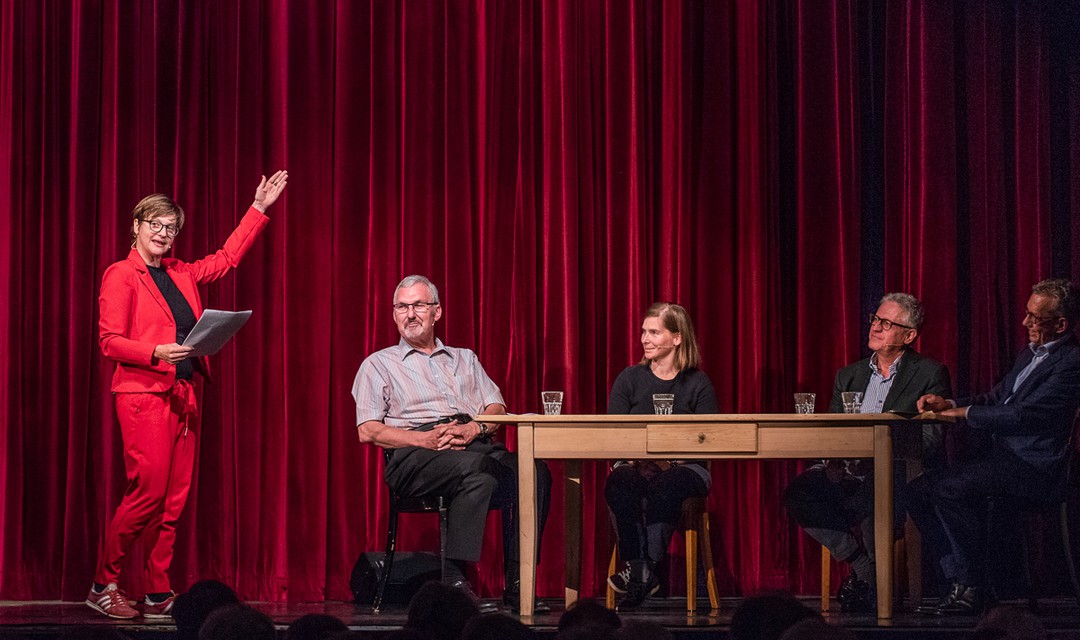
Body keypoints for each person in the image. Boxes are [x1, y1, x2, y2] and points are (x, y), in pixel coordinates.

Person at [88, 172, 287, 619]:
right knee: (148, 492)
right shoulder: (122, 275)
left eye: (171, 228)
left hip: (184, 393)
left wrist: (258, 208)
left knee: (174, 500)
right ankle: (103, 582)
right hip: (143, 394)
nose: (163, 234)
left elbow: (226, 259)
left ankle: (158, 591)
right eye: (155, 225)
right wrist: (154, 351)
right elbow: (109, 341)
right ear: (136, 226)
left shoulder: (180, 272)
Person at [351, 275, 553, 613]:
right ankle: (455, 582)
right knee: (478, 470)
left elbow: (496, 408)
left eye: (418, 305)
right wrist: (424, 438)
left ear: (437, 312)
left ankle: (519, 583)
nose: (410, 314)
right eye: (402, 307)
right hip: (414, 454)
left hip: (472, 443)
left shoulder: (464, 358)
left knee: (533, 471)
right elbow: (368, 430)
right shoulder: (378, 364)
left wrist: (474, 429)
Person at [912, 279, 1080, 615]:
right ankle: (962, 580)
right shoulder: (1029, 355)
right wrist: (949, 403)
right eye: (1026, 314)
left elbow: (1023, 415)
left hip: (1034, 467)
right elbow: (996, 398)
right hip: (1006, 460)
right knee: (915, 492)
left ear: (1061, 324)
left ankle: (972, 586)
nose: (1025, 323)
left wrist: (965, 414)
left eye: (1035, 318)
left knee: (947, 488)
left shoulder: (1071, 362)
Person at [783, 293, 951, 612]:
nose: (875, 327)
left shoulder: (929, 372)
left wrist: (884, 455)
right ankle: (861, 562)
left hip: (898, 473)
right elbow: (832, 431)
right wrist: (831, 462)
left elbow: (931, 438)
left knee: (877, 488)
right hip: (849, 472)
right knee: (800, 491)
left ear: (909, 335)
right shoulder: (850, 374)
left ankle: (879, 594)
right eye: (875, 319)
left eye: (886, 323)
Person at [604, 302, 719, 611]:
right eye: (644, 332)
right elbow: (613, 432)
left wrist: (670, 462)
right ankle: (643, 570)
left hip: (686, 468)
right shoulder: (629, 378)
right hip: (634, 464)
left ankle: (641, 571)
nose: (645, 339)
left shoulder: (698, 382)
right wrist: (640, 459)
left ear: (677, 338)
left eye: (654, 332)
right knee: (619, 482)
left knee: (668, 484)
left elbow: (710, 438)